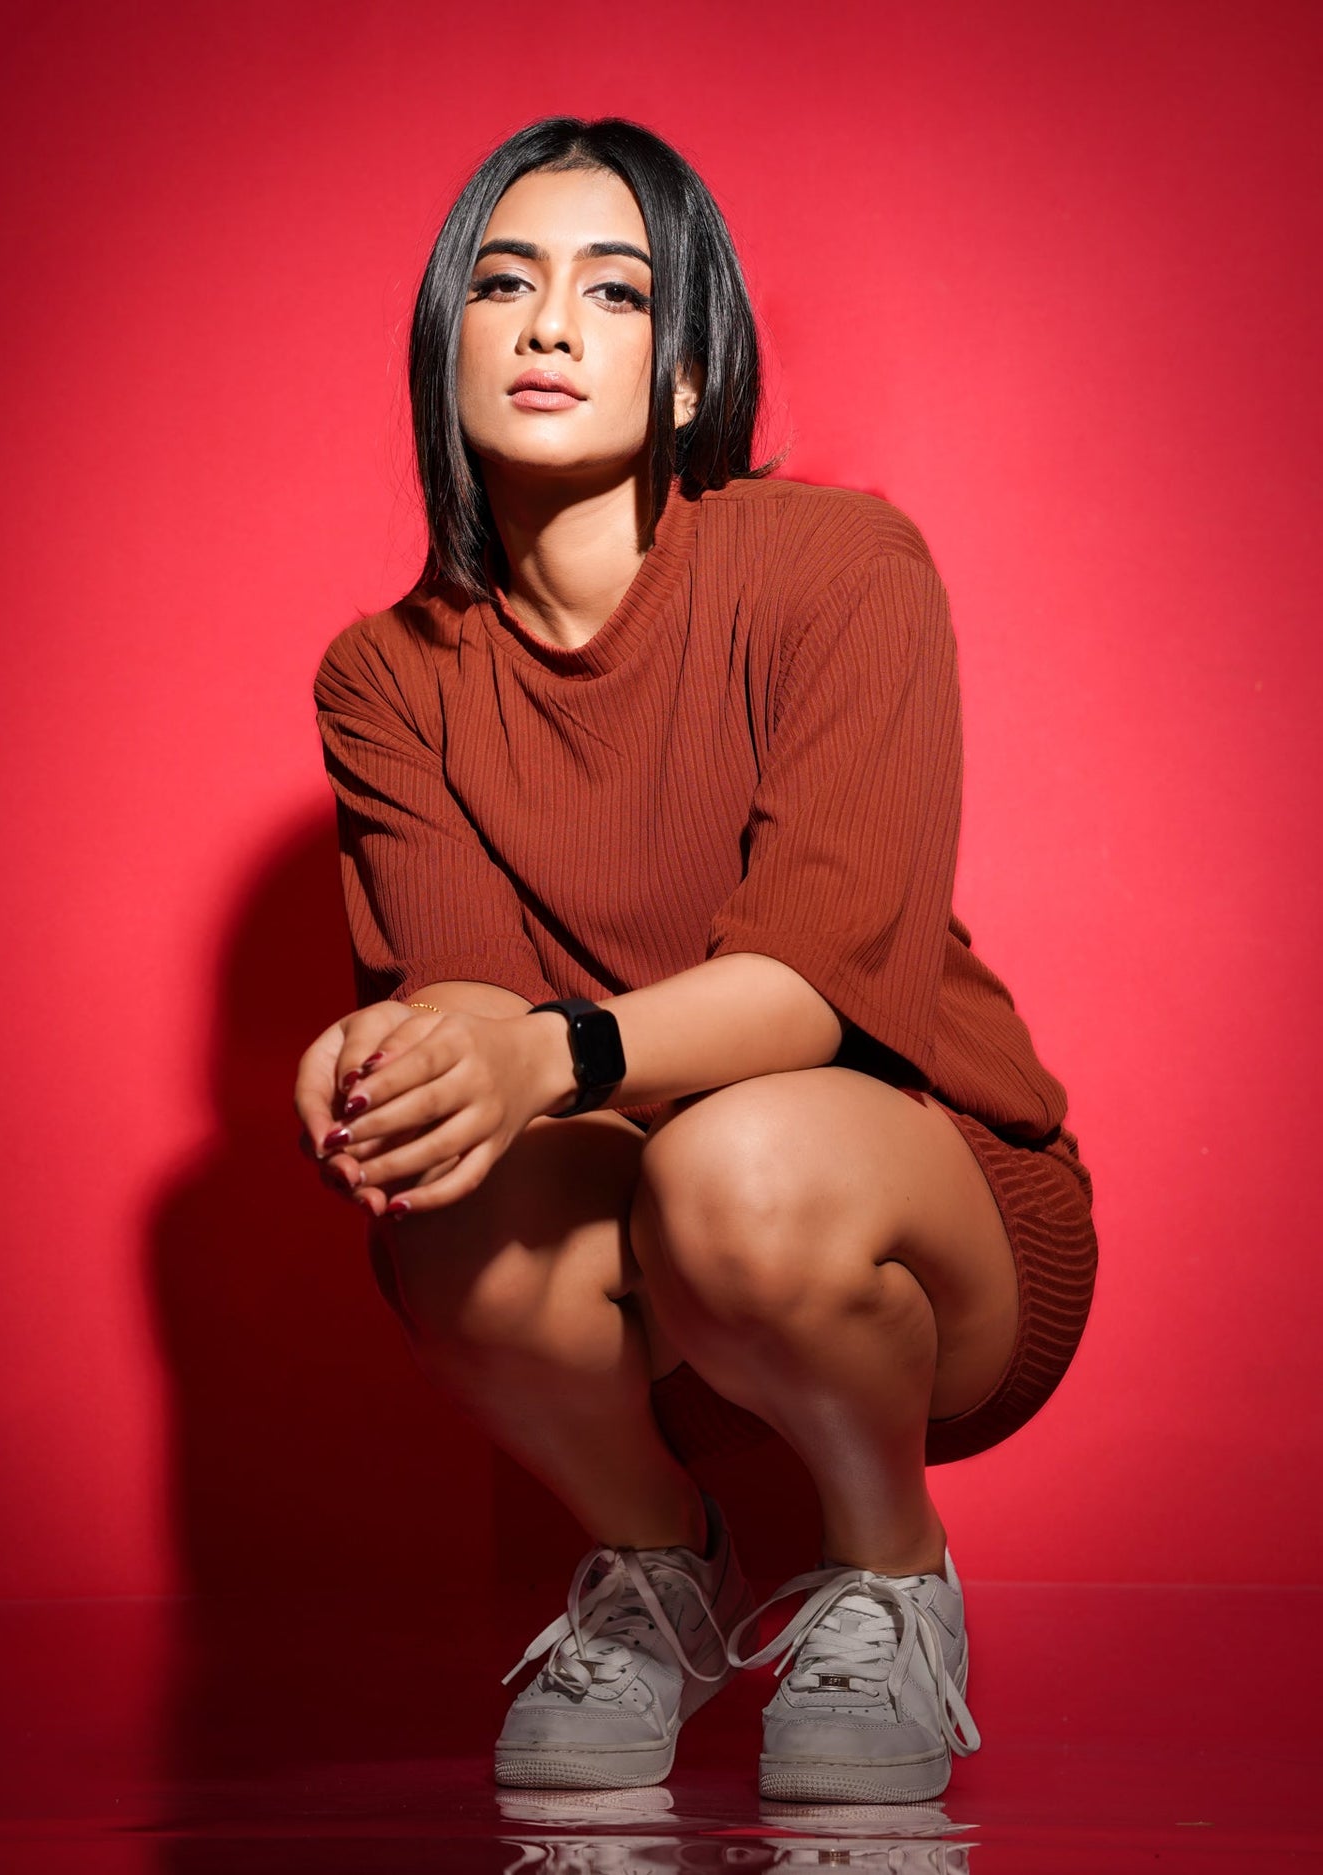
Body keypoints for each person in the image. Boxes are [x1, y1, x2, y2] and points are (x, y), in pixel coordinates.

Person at [294, 115, 1098, 1804]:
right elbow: (464, 990)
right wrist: (389, 1061)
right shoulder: (386, 674)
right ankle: (659, 1565)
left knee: (735, 1159)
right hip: (638, 1262)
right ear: (449, 346)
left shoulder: (837, 568)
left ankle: (891, 1575)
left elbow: (809, 980)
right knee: (444, 1196)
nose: (547, 324)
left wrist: (545, 1051)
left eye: (615, 290)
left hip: (910, 1222)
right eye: (502, 285)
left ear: (682, 378)